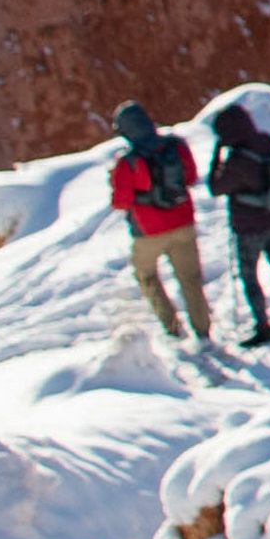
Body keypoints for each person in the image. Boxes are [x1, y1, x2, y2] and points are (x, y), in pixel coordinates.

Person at [102, 100, 203, 351]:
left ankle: (172, 328)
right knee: (190, 278)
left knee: (146, 275)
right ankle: (203, 331)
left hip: (149, 232)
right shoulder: (176, 146)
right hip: (183, 222)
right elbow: (190, 177)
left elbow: (121, 202)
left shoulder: (128, 162)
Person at [208, 93, 270, 347]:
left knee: (250, 275)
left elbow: (216, 188)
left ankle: (263, 326)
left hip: (249, 226)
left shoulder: (238, 161)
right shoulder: (266, 142)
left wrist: (217, 156)